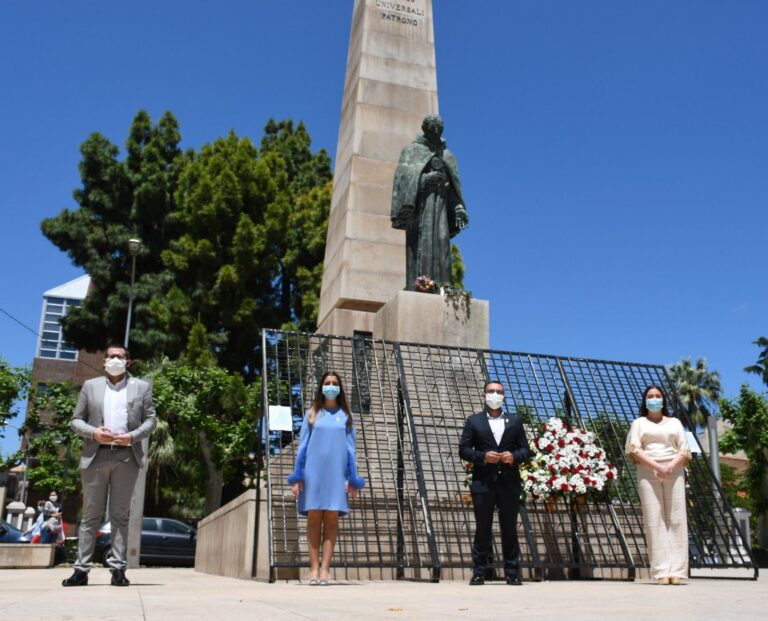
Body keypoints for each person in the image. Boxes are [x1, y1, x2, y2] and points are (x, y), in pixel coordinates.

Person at [62, 344, 157, 587]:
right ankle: (81, 570)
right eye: (111, 356)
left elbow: (151, 420)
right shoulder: (90, 386)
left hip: (127, 457)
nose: (115, 359)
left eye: (120, 356)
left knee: (120, 516)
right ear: (104, 361)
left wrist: (132, 436)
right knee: (91, 515)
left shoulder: (142, 387)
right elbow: (75, 420)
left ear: (128, 362)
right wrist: (93, 433)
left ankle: (117, 569)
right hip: (96, 456)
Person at [288, 372, 365, 585]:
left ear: (340, 388)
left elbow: (352, 450)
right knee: (314, 518)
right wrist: (298, 476)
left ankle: (325, 570)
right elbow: (302, 446)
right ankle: (313, 570)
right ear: (321, 387)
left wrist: (352, 478)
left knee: (331, 518)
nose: (331, 386)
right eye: (327, 383)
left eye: (334, 384)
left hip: (337, 473)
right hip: (313, 472)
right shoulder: (312, 413)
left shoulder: (346, 416)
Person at [459, 380, 530, 585]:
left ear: (504, 397)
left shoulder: (515, 421)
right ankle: (479, 571)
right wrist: (482, 456)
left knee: (509, 528)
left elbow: (525, 450)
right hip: (483, 482)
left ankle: (512, 572)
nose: (495, 394)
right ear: (484, 395)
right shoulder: (474, 421)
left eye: (499, 391)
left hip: (509, 482)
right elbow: (463, 449)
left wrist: (513, 457)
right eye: (491, 391)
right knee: (483, 528)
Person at [391, 114, 469, 290]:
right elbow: (402, 180)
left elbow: (454, 188)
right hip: (420, 207)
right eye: (433, 130)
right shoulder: (411, 151)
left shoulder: (447, 155)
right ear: (425, 130)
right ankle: (423, 284)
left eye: (439, 130)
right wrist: (425, 179)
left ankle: (445, 285)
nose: (436, 134)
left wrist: (458, 207)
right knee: (422, 243)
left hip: (441, 204)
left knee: (443, 241)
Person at [625, 385, 691, 585]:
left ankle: (677, 571)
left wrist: (669, 466)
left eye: (657, 396)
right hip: (648, 471)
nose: (654, 399)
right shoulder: (639, 423)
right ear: (645, 400)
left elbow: (684, 449)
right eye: (650, 396)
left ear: (664, 400)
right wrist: (656, 466)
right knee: (654, 519)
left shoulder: (675, 422)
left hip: (675, 469)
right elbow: (634, 449)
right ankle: (662, 571)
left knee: (677, 518)